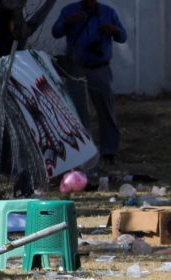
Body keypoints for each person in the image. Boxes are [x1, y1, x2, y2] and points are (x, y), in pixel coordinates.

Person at [52, 0, 126, 167]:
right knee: (77, 111)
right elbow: (55, 32)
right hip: (75, 68)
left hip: (99, 67)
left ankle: (109, 152)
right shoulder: (69, 10)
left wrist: (113, 30)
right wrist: (70, 22)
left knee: (106, 110)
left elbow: (123, 36)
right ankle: (84, 152)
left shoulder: (108, 12)